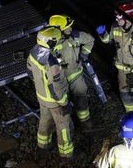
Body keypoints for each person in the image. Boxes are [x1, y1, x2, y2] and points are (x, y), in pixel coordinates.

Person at [27, 25, 74, 157]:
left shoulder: (34, 51)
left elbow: (29, 72)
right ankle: (66, 154)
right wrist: (64, 103)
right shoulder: (52, 63)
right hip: (55, 102)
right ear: (50, 41)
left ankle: (43, 146)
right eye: (56, 40)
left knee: (44, 120)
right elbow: (56, 87)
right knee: (63, 126)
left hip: (41, 97)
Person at [48, 13, 98, 123]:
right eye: (67, 27)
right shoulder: (49, 43)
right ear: (59, 30)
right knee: (62, 106)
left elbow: (90, 40)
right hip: (60, 81)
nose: (71, 28)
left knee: (81, 100)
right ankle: (67, 124)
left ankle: (85, 122)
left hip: (76, 76)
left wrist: (84, 55)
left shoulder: (75, 36)